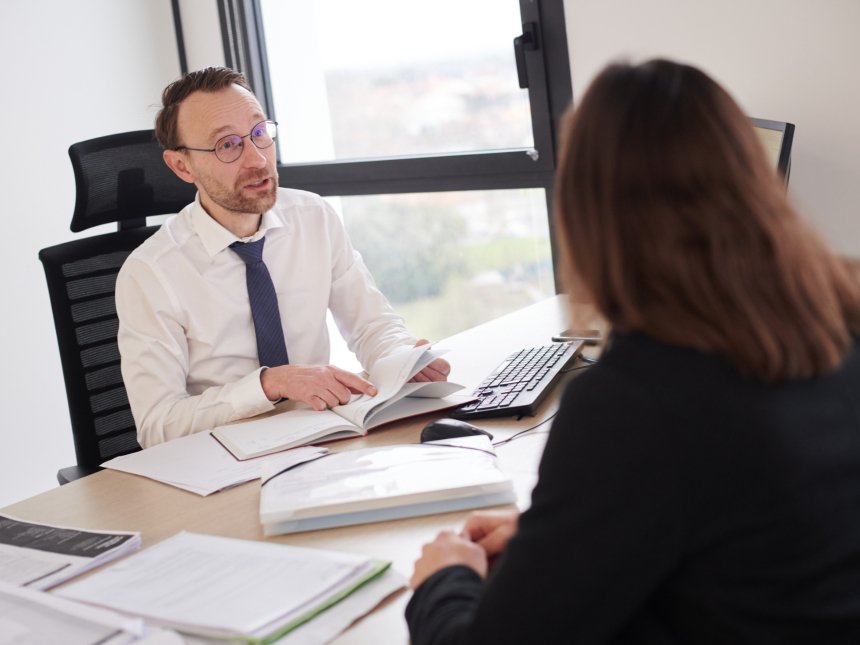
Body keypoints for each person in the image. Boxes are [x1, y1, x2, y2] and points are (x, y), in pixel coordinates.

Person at [406, 58, 860, 644]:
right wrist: (566, 539)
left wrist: (444, 582)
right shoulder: (835, 317)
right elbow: (758, 521)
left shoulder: (635, 401)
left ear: (591, 216)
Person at [116, 67, 449, 448]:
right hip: (223, 466)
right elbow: (158, 426)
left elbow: (371, 326)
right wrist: (268, 385)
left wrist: (403, 360)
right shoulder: (150, 273)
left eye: (260, 133)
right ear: (182, 165)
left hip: (323, 441)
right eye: (228, 145)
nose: (257, 159)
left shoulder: (313, 217)